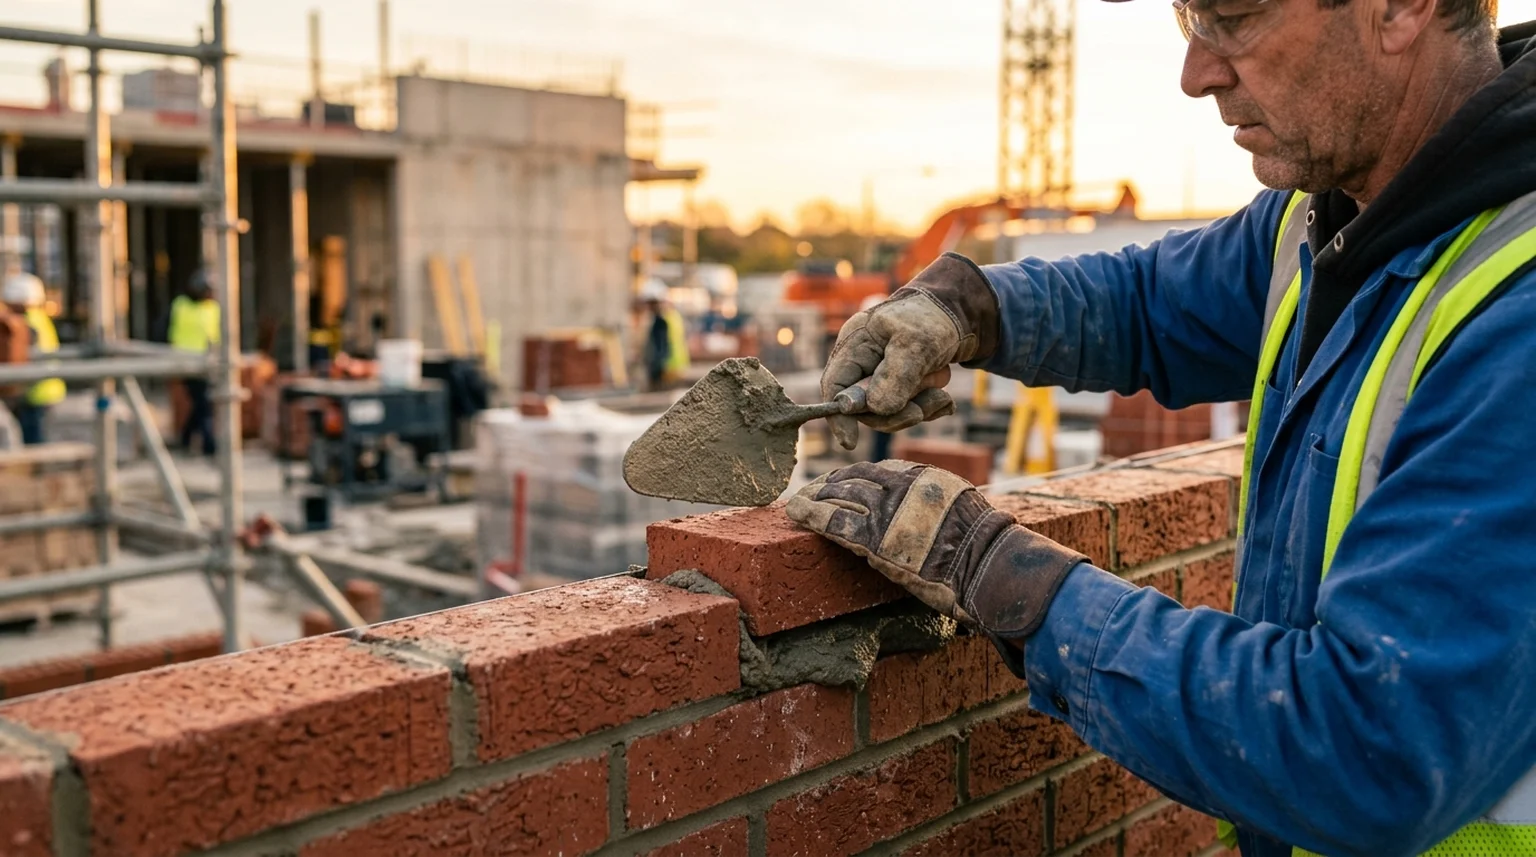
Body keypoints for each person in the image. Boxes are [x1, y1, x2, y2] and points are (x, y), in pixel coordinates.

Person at [791, 4, 1536, 856]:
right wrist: (968, 306)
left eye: (1235, 16)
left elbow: (1367, 748)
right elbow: (1152, 303)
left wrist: (1005, 579)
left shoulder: (1518, 314)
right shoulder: (1335, 213)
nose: (1197, 73)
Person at [1, 272, 64, 445]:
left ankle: (38, 470)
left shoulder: (24, 323)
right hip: (43, 388)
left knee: (33, 440)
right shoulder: (39, 318)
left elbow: (16, 351)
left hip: (35, 391)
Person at [169, 270, 220, 456]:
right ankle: (209, 445)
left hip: (205, 363)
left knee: (201, 404)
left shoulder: (212, 308)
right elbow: (170, 331)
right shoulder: (181, 305)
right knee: (203, 404)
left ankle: (186, 437)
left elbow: (214, 335)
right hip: (185, 363)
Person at [639, 278, 689, 389]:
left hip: (666, 371)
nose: (648, 308)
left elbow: (661, 348)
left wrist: (654, 370)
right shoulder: (673, 316)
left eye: (651, 304)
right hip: (675, 369)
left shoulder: (662, 321)